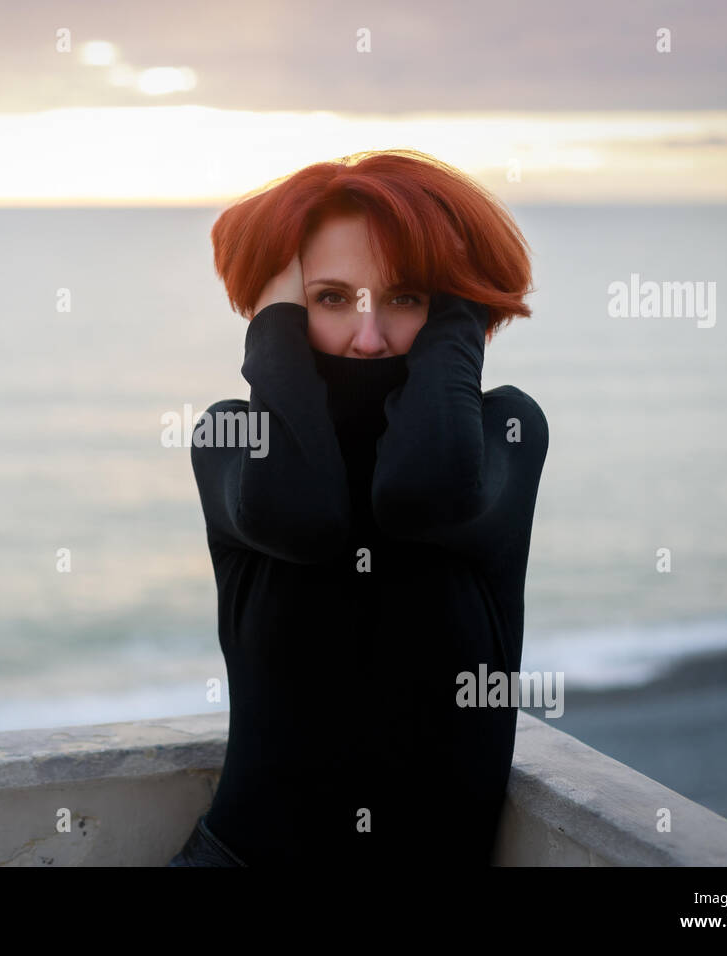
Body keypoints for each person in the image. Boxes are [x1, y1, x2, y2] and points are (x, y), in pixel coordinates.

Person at [167, 149, 548, 867]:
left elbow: (420, 492)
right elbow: (302, 519)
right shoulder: (230, 436)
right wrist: (274, 329)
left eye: (405, 298)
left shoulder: (507, 430)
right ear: (276, 308)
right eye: (330, 298)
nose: (368, 338)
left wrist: (457, 302)